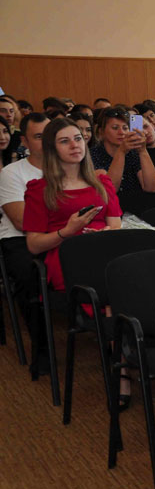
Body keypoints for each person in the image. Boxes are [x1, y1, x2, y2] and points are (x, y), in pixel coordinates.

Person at [24, 117, 122, 293]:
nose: (74, 145)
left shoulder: (101, 182)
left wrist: (104, 233)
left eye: (78, 139)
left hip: (104, 248)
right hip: (68, 255)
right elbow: (33, 244)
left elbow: (115, 224)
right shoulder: (40, 189)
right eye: (64, 141)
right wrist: (67, 232)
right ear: (52, 149)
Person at [0, 113, 50, 377]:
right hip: (20, 239)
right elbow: (21, 221)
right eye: (39, 136)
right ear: (25, 141)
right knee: (30, 274)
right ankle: (41, 348)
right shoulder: (12, 173)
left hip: (61, 233)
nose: (46, 142)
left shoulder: (69, 166)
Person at [90, 108, 155, 194]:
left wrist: (142, 151)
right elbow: (110, 191)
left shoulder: (132, 152)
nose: (121, 132)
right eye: (115, 128)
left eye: (125, 128)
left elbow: (152, 187)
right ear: (101, 132)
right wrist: (121, 152)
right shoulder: (92, 155)